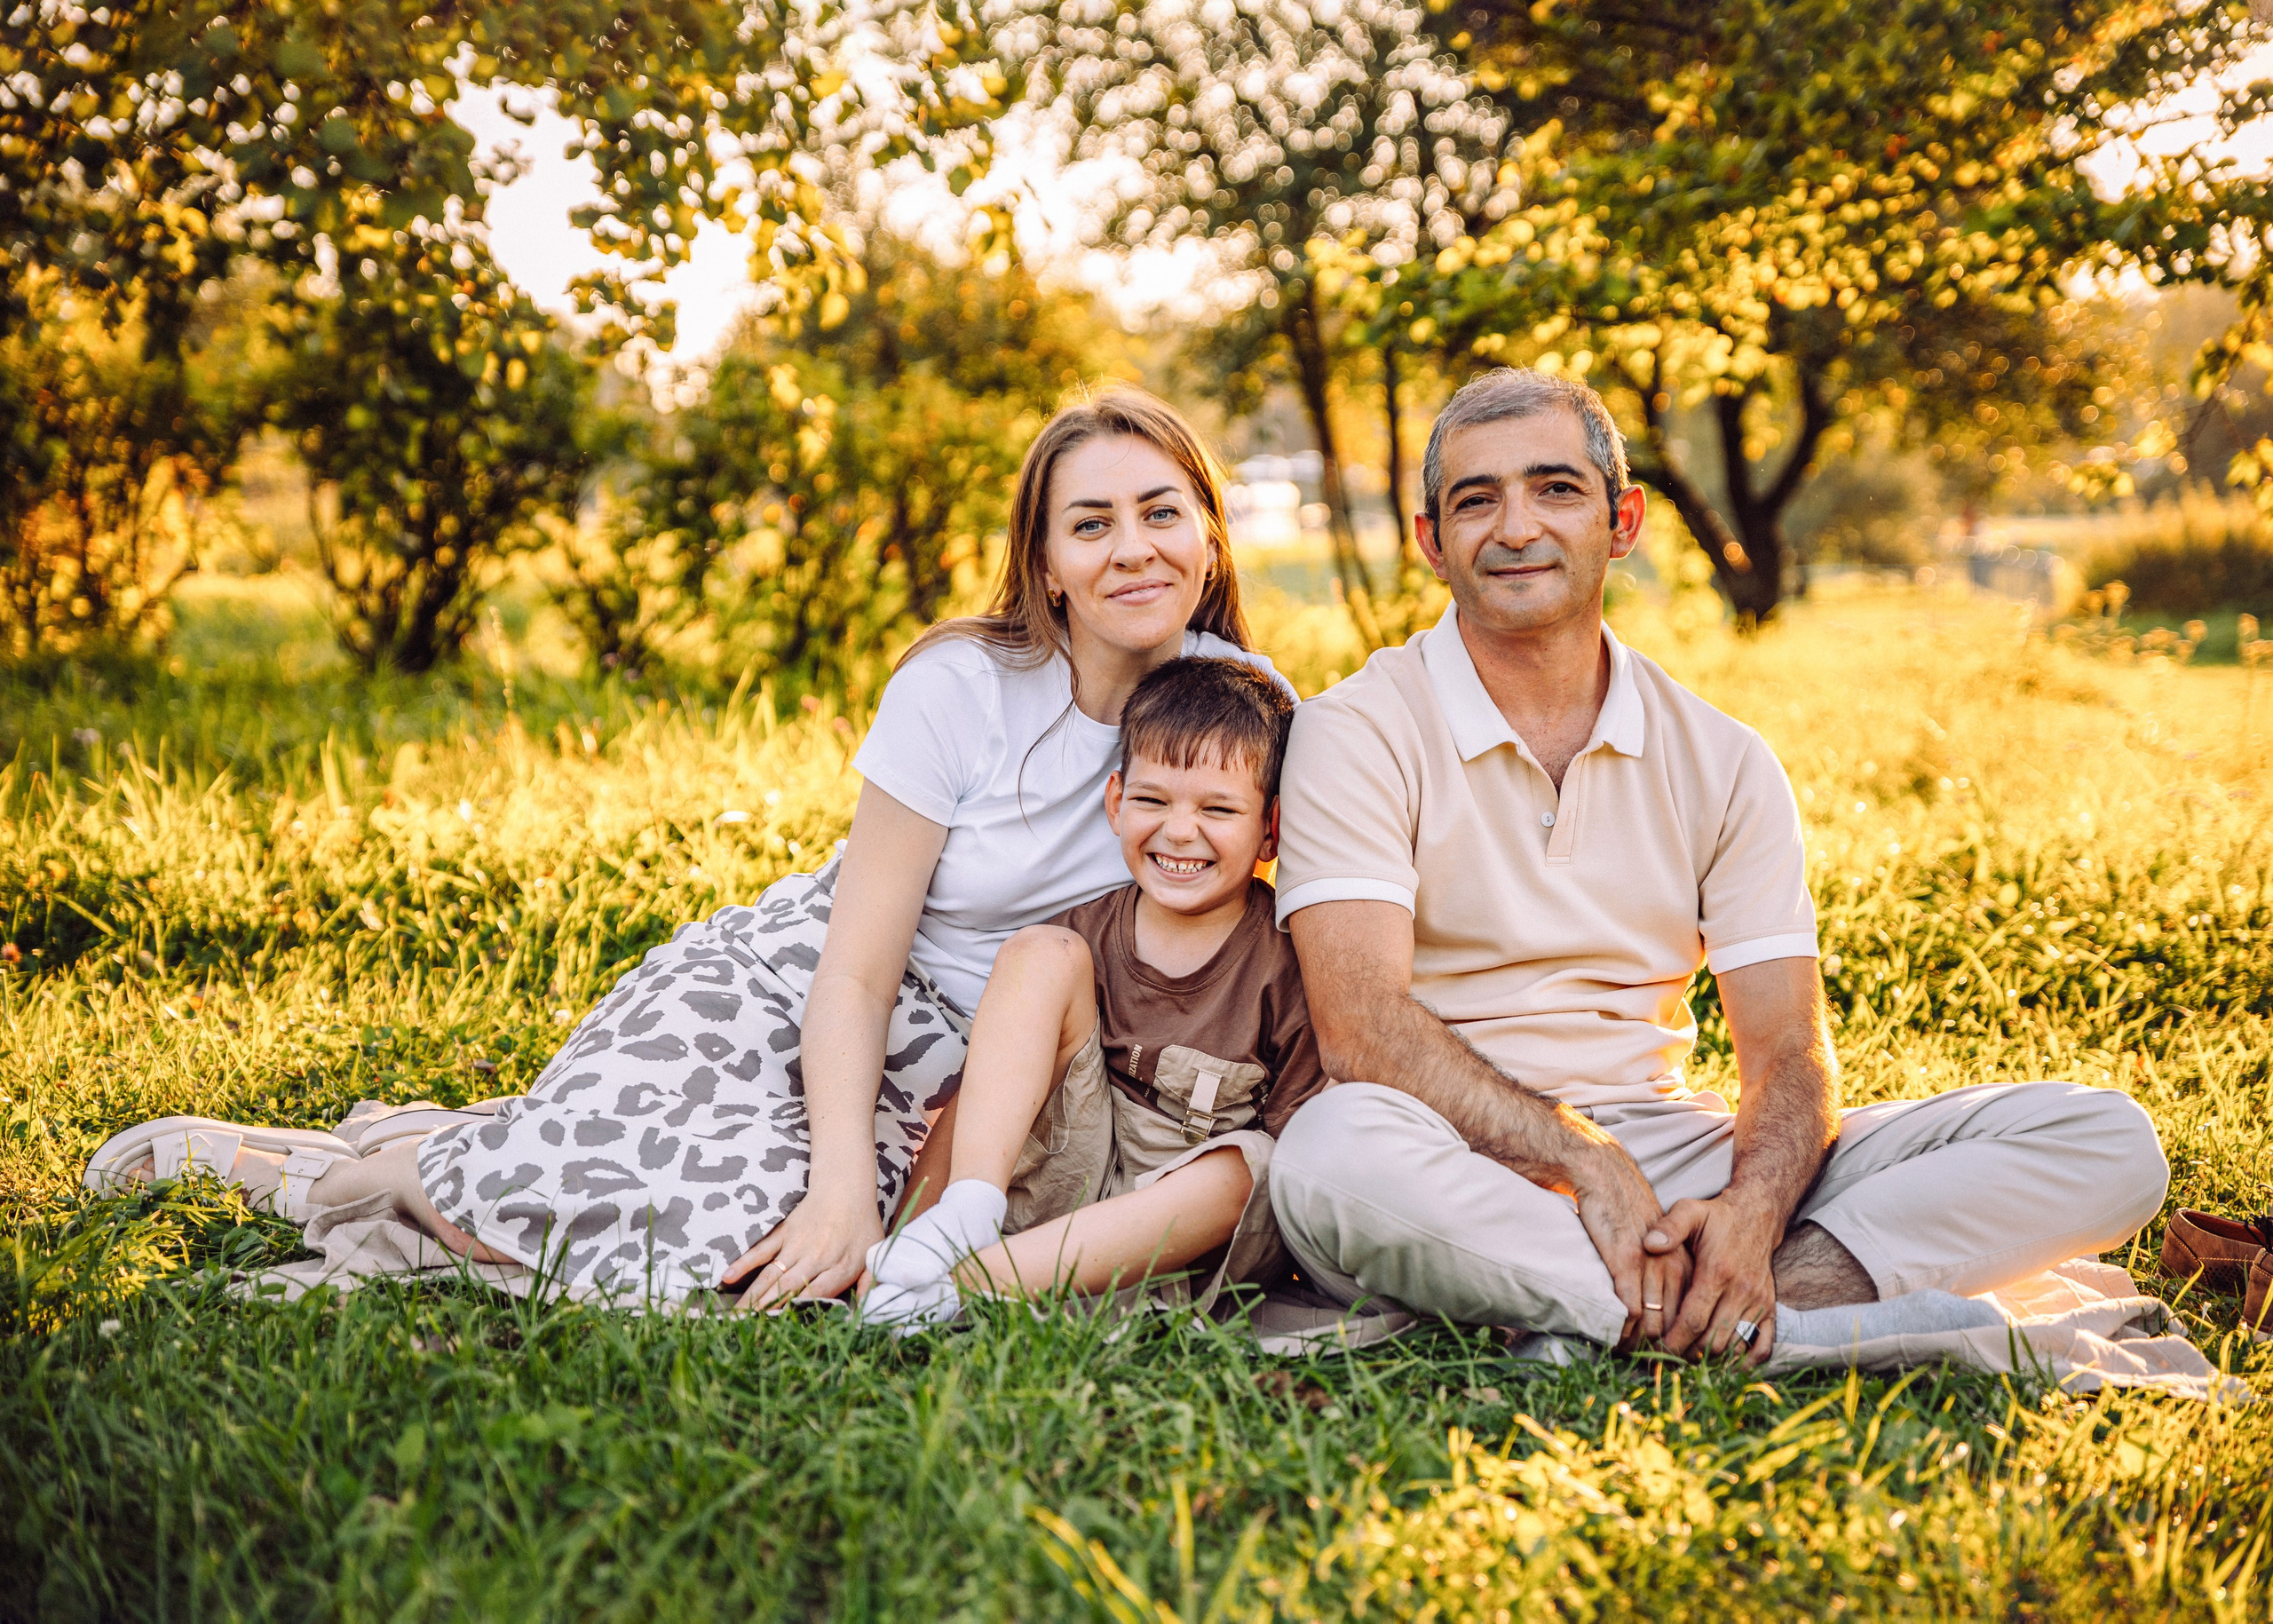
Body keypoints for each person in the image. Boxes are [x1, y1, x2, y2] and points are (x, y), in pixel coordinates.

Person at [82, 386, 1295, 1309]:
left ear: (1207, 534)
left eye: (1160, 512)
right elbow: (858, 970)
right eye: (1092, 523)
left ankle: (457, 1150)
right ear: (1046, 564)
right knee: (771, 1223)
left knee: (738, 1274)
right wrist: (835, 1187)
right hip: (808, 990)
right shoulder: (963, 687)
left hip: (990, 1065)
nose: (1132, 547)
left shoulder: (1242, 704)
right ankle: (350, 1174)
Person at [1265, 367, 2170, 1365]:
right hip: (1452, 1156)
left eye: (1555, 489)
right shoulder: (1352, 730)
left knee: (2105, 1141)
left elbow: (1785, 1045)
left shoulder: (1723, 758)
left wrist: (1747, 1207)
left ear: (1622, 521)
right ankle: (1785, 1326)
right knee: (1327, 1156)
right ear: (1432, 542)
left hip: (1669, 1158)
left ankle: (1693, 1308)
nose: (1516, 526)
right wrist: (1581, 1158)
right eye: (1476, 499)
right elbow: (1360, 1030)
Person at [859, 655, 1326, 1328]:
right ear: (1115, 801)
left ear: (1271, 829)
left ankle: (966, 1283)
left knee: (1255, 1164)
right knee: (1036, 953)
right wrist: (915, 1218)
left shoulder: (1287, 959)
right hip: (1060, 1188)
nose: (1180, 830)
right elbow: (988, 1090)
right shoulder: (1086, 933)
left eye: (1218, 809)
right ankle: (951, 1224)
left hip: (1175, 1245)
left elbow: (1297, 1156)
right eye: (1152, 799)